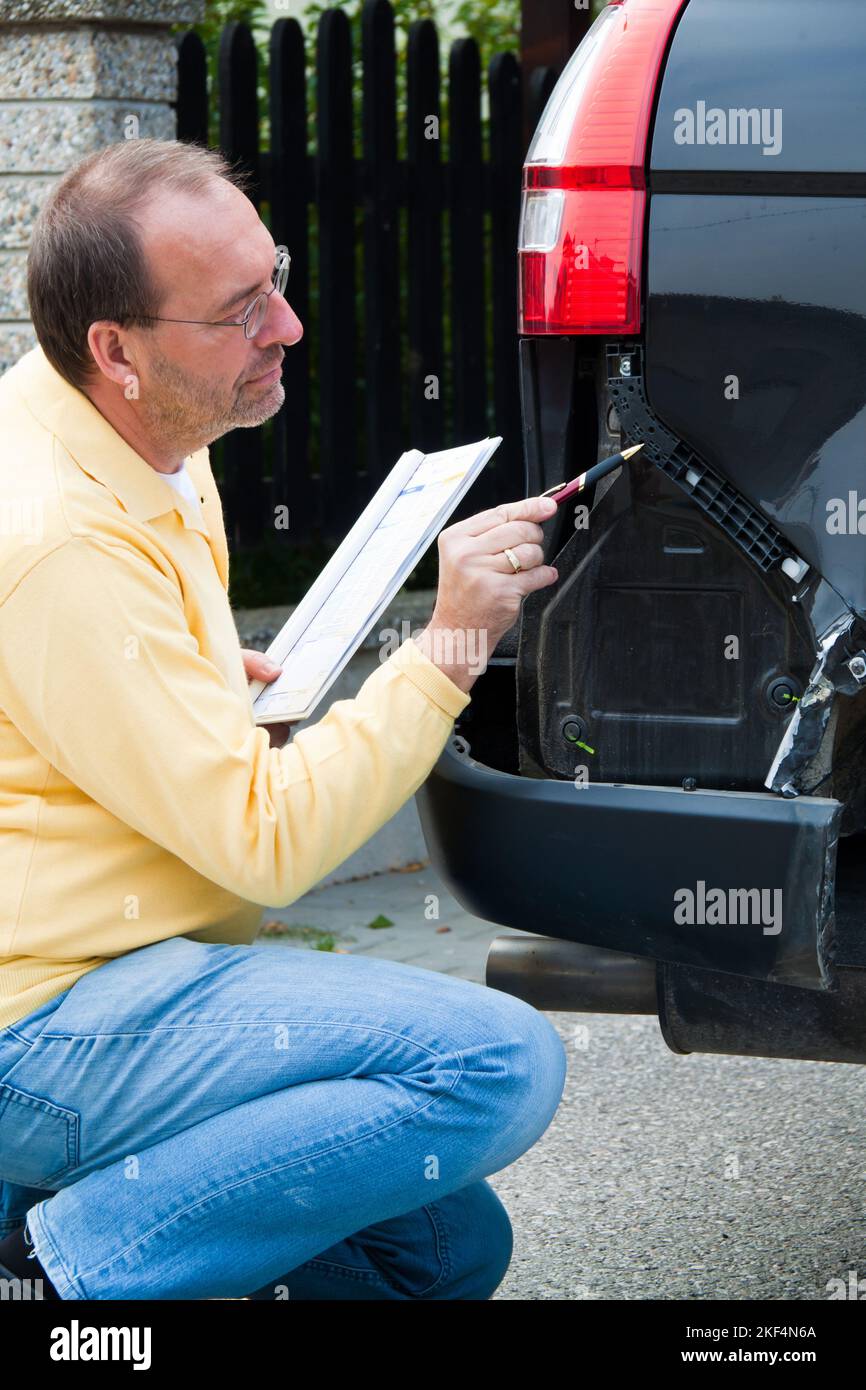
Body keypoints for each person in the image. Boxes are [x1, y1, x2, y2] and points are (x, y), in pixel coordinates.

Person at [0, 138, 566, 1301]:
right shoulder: (57, 537)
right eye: (240, 308)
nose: (289, 325)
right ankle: (65, 1272)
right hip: (44, 1019)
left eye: (277, 277)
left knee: (443, 1250)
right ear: (118, 351)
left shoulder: (133, 426)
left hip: (143, 969)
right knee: (495, 1065)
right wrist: (451, 641)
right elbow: (265, 845)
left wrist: (179, 679)